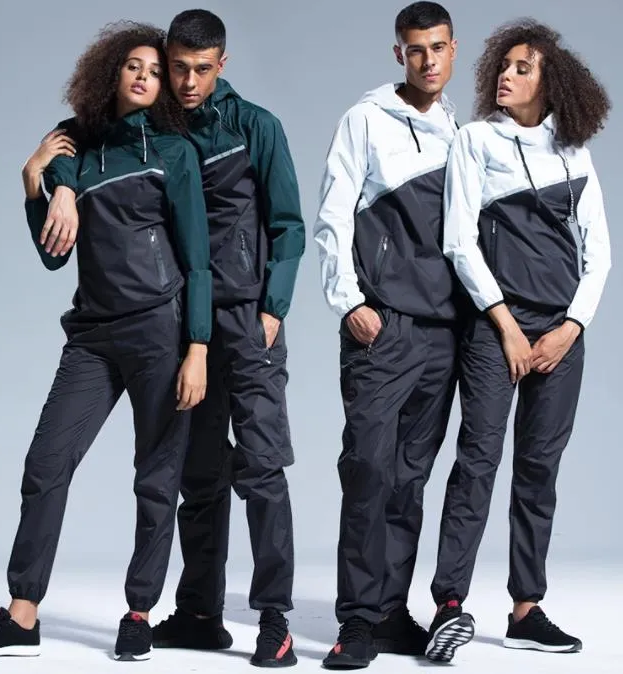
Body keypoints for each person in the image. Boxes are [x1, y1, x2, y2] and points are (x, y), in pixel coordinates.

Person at [38, 9, 305, 668]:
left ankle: (275, 618)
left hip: (247, 319)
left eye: (200, 70)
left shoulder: (255, 126)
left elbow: (288, 224)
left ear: (222, 63)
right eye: (177, 68)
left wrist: (272, 310)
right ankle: (199, 614)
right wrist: (58, 188)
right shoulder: (159, 124)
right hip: (188, 324)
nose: (187, 82)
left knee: (262, 468)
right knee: (198, 473)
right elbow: (78, 138)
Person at [0, 22, 212, 662]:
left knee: (156, 479)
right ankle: (22, 616)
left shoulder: (173, 153)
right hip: (92, 335)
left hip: (159, 331)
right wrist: (38, 184)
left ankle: (139, 612)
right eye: (133, 65)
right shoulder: (79, 150)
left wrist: (198, 347)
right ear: (110, 73)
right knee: (45, 466)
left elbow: (198, 260)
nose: (145, 76)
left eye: (156, 70)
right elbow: (53, 256)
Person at [426, 19, 611, 662]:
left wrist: (570, 329)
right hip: (494, 329)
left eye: (521, 68)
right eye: (502, 66)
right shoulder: (476, 140)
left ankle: (527, 609)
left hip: (562, 333)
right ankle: (449, 604)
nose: (506, 75)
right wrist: (505, 326)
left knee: (538, 470)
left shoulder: (573, 151)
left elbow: (600, 255)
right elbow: (458, 241)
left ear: (549, 81)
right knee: (477, 462)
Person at [313, 3, 461, 669]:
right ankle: (355, 620)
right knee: (367, 470)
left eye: (437, 47)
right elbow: (333, 213)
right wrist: (348, 301)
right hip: (384, 326)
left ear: (452, 49)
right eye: (415, 49)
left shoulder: (459, 129)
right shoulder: (365, 119)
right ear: (398, 53)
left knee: (409, 478)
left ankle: (390, 613)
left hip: (442, 330)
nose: (427, 60)